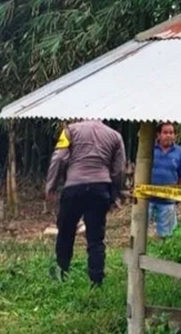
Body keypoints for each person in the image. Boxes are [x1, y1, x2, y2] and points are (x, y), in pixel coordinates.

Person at [45, 120, 125, 286]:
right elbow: (119, 170)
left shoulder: (69, 131)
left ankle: (62, 272)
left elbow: (59, 158)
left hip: (74, 188)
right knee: (96, 238)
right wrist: (116, 192)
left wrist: (51, 185)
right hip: (100, 189)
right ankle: (96, 281)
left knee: (65, 232)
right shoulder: (115, 136)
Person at [149, 122, 181, 239]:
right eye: (165, 132)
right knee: (139, 230)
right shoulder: (149, 149)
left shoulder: (179, 152)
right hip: (147, 198)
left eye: (171, 133)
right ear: (158, 135)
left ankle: (164, 252)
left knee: (166, 235)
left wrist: (177, 194)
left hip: (167, 200)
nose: (168, 135)